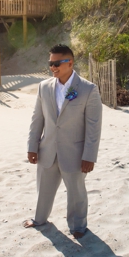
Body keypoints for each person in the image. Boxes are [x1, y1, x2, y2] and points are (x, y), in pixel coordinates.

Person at [25, 44, 102, 240]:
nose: (53, 68)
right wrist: (32, 147)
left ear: (70, 63)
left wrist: (89, 156)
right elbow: (37, 119)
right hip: (47, 150)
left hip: (75, 154)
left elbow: (93, 127)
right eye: (51, 63)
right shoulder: (44, 87)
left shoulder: (88, 89)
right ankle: (39, 219)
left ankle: (78, 226)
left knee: (76, 193)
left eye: (57, 63)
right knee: (43, 190)